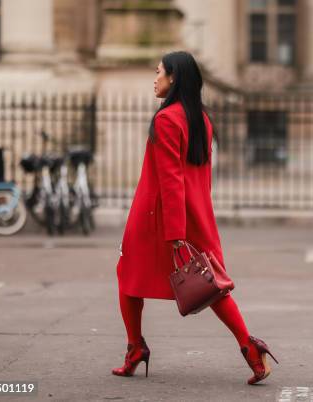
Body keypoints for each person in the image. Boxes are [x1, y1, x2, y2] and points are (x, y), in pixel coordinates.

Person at [112, 51, 278, 385]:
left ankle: (135, 349)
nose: (154, 78)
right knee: (212, 286)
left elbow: (171, 179)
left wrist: (173, 232)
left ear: (173, 77)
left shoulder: (166, 119)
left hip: (159, 217)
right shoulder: (200, 118)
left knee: (128, 277)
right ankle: (250, 347)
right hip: (197, 214)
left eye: (158, 72)